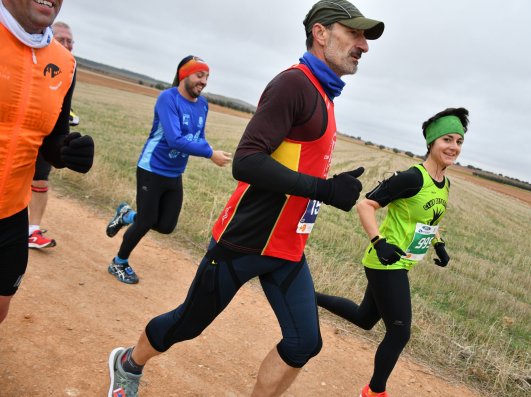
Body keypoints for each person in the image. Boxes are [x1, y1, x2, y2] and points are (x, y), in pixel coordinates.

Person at [106, 1, 384, 395]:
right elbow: (247, 161)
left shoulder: (324, 93)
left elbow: (295, 162)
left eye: (364, 38)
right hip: (245, 240)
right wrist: (324, 189)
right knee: (189, 323)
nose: (364, 46)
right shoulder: (294, 84)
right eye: (354, 34)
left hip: (288, 246)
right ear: (321, 33)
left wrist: (330, 185)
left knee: (305, 342)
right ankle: (128, 362)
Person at [316, 107, 469, 397]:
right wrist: (379, 242)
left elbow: (430, 219)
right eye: (447, 140)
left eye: (459, 142)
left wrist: (439, 244)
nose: (454, 147)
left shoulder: (444, 184)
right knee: (399, 331)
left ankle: (307, 298)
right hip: (385, 261)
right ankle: (374, 392)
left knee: (364, 318)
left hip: (402, 262)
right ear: (432, 143)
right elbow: (365, 205)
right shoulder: (412, 178)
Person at [0, 0, 94, 325]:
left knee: (1, 305)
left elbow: (53, 136)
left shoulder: (65, 63)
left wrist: (66, 151)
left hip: (12, 211)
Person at [104, 55, 232, 284]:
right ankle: (119, 262)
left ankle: (127, 215)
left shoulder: (203, 105)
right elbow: (175, 139)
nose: (203, 81)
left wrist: (210, 148)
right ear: (184, 75)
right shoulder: (168, 98)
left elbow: (197, 137)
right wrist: (210, 154)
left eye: (207, 77)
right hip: (152, 168)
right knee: (145, 221)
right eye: (199, 75)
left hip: (174, 172)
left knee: (165, 225)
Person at [28, 20, 78, 249]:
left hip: (44, 135)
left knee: (40, 178)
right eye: (62, 40)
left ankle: (32, 230)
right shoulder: (31, 58)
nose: (67, 45)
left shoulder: (68, 68)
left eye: (70, 41)